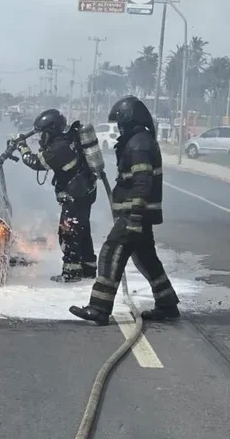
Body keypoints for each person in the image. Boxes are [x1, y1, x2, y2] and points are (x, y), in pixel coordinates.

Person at [69, 96, 180, 326]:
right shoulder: (138, 140)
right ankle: (167, 303)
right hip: (135, 213)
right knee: (146, 258)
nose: (118, 127)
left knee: (111, 253)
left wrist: (135, 216)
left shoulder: (139, 143)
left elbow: (142, 182)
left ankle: (99, 308)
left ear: (129, 118)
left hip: (134, 214)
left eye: (120, 122)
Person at [15, 109, 97, 282]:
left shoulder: (60, 148)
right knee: (82, 230)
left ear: (50, 131)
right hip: (85, 192)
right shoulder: (69, 139)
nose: (41, 138)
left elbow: (36, 162)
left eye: (43, 133)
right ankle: (88, 269)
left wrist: (21, 146)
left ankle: (71, 272)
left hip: (75, 195)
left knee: (69, 233)